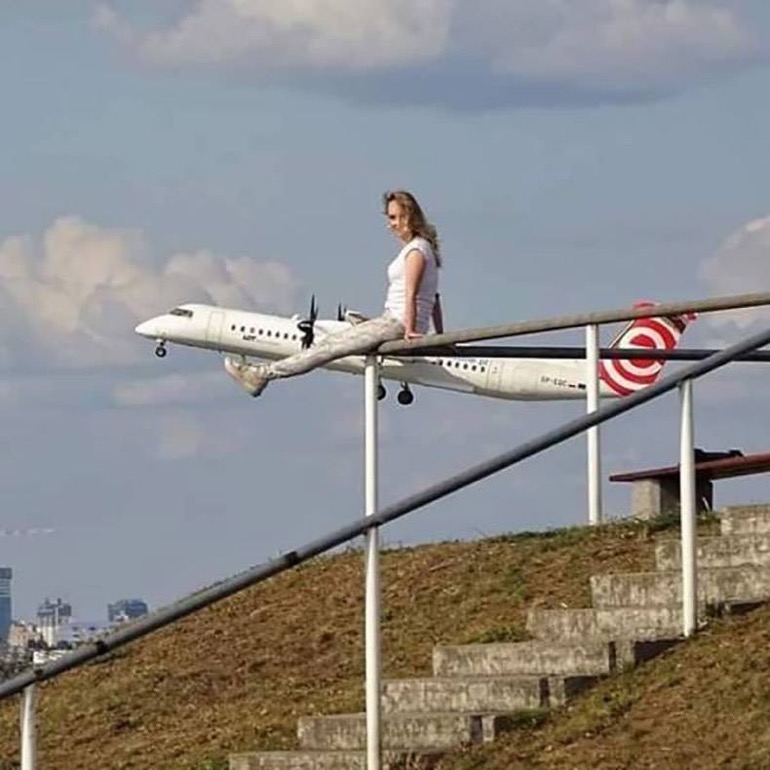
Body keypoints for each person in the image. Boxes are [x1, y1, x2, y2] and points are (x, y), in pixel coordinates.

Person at [224, 190, 444, 397]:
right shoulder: (423, 249)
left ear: (408, 215)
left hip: (396, 322)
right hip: (396, 321)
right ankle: (261, 374)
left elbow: (412, 293)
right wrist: (439, 334)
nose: (391, 224)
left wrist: (410, 330)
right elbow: (433, 298)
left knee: (327, 347)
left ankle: (262, 374)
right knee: (333, 342)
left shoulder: (416, 251)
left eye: (395, 217)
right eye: (390, 218)